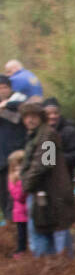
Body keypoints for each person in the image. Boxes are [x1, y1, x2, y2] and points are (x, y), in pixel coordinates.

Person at [19, 99, 75, 257]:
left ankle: (63, 270)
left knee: (59, 233)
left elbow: (46, 163)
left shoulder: (48, 136)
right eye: (26, 117)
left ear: (41, 118)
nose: (29, 120)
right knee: (42, 231)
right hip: (41, 192)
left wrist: (27, 184)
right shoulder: (34, 136)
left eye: (33, 116)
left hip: (54, 193)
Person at [0, 76, 28, 222]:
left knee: (16, 194)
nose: (1, 91)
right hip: (2, 158)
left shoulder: (19, 100)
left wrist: (4, 109)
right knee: (3, 195)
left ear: (9, 88)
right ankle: (8, 223)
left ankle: (16, 225)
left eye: (3, 87)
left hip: (16, 157)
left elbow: (18, 117)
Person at [43, 98, 75, 184]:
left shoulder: (70, 131)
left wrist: (56, 159)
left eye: (55, 113)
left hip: (64, 178)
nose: (52, 116)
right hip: (44, 179)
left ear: (59, 113)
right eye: (48, 114)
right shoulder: (40, 131)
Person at [8, 149, 27, 256]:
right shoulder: (12, 178)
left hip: (29, 211)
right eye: (14, 166)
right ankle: (21, 251)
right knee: (21, 234)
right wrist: (20, 182)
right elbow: (18, 196)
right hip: (19, 211)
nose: (16, 169)